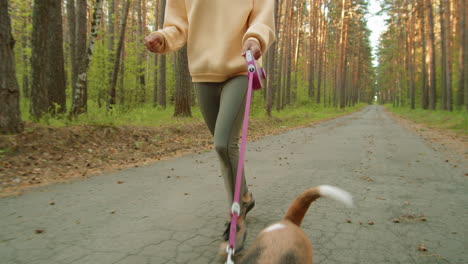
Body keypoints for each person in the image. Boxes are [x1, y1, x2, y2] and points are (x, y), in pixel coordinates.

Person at [144, 0, 275, 253]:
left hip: (240, 65)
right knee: (225, 148)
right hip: (202, 71)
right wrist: (162, 36)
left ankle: (236, 217)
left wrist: (256, 38)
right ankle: (245, 197)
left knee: (224, 143)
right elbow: (178, 25)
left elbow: (262, 16)